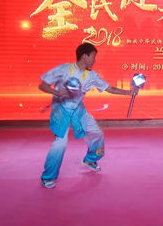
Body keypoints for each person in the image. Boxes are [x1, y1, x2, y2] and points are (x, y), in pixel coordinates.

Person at [38, 43, 138, 189]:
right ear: (84, 56)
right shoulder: (64, 69)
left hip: (78, 111)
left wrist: (129, 92)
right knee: (60, 144)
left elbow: (109, 88)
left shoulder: (92, 75)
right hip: (61, 111)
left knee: (97, 134)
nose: (94, 60)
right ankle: (47, 177)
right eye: (93, 56)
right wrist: (56, 92)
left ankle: (90, 159)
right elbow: (43, 85)